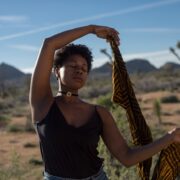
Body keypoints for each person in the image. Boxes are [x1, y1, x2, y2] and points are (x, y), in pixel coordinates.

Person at [29, 25, 180, 180]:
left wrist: (169, 137)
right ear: (56, 71)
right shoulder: (43, 103)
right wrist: (91, 29)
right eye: (73, 65)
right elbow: (49, 44)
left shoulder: (99, 113)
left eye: (84, 68)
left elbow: (127, 157)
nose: (79, 70)